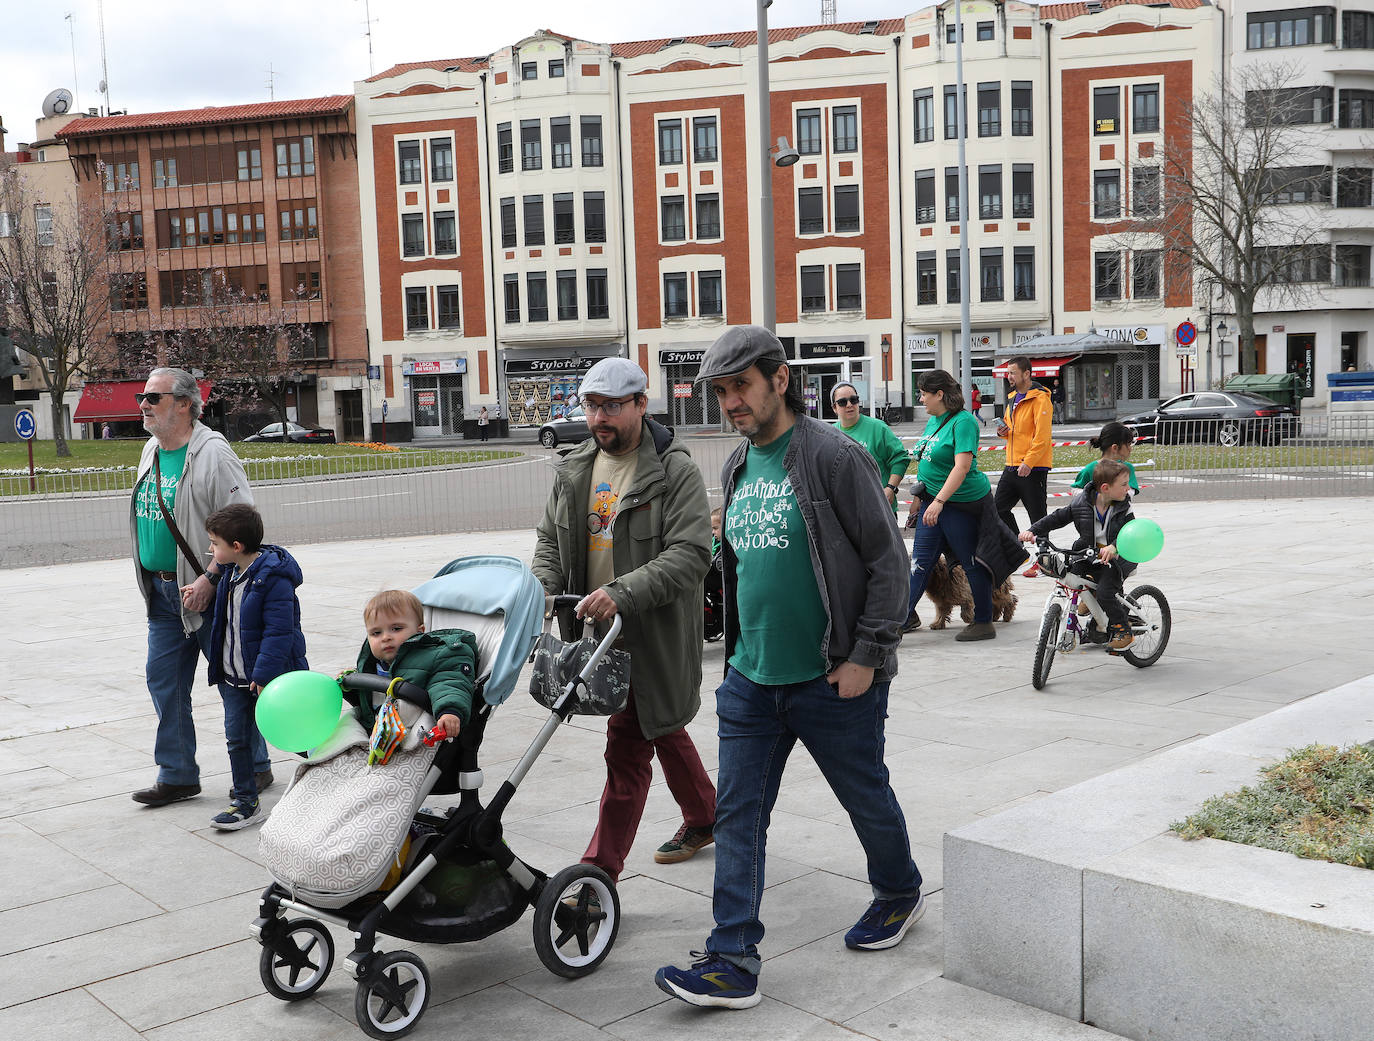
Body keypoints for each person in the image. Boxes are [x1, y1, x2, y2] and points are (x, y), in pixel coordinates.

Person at [655, 325, 921, 1011]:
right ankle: (730, 957)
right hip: (750, 679)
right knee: (738, 817)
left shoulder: (834, 456)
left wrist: (867, 655)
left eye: (740, 385)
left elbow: (889, 561)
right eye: (720, 391)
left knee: (865, 795)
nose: (730, 402)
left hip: (832, 677)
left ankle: (898, 889)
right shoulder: (737, 465)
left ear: (779, 377)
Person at [532, 356, 717, 882]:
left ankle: (597, 873)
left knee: (626, 749)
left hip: (651, 635)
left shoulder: (673, 469)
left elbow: (689, 554)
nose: (599, 419)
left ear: (641, 403)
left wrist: (621, 592)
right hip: (596, 636)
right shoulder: (575, 467)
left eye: (612, 406)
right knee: (662, 726)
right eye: (591, 406)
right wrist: (544, 588)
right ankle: (706, 816)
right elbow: (550, 538)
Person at [130, 367, 271, 808]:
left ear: (186, 403)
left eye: (154, 397)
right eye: (143, 397)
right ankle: (177, 775)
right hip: (162, 593)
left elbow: (244, 526)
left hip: (212, 592)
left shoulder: (213, 453)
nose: (144, 405)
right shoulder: (151, 451)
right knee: (164, 684)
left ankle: (256, 768)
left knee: (234, 682)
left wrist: (211, 576)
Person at [203, 504, 307, 830]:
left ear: (236, 546)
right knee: (237, 740)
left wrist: (264, 676)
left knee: (300, 735)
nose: (210, 549)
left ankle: (337, 778)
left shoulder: (274, 580)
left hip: (268, 678)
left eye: (215, 543)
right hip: (234, 678)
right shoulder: (231, 573)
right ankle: (246, 802)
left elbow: (279, 633)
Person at [902, 369, 1024, 640]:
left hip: (961, 504)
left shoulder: (964, 422)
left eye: (924, 394)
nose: (921, 399)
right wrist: (919, 502)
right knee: (920, 564)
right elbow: (929, 463)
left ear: (940, 394)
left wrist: (940, 501)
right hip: (932, 503)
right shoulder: (935, 420)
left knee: (970, 563)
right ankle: (899, 621)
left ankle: (983, 623)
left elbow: (962, 466)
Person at [1021, 459, 1138, 651]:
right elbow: (1057, 518)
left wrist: (1114, 547)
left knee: (1106, 592)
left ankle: (1123, 631)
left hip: (1115, 559)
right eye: (1124, 484)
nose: (1128, 488)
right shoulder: (1081, 502)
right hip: (1086, 553)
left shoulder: (1124, 507)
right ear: (1106, 488)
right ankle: (1085, 603)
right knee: (1071, 575)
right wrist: (1032, 530)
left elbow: (1131, 532)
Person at [353, 589, 477, 741]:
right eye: (376, 633)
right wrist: (351, 684)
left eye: (396, 629)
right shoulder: (371, 665)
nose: (385, 637)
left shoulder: (436, 656)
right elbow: (368, 700)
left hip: (414, 736)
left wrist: (449, 711)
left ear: (420, 631)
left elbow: (449, 682)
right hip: (376, 733)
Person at [995, 357, 1054, 577]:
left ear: (1027, 374)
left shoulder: (1040, 399)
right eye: (1008, 373)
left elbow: (1042, 437)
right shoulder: (1012, 398)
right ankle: (1019, 551)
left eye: (1012, 373)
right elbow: (1013, 430)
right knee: (998, 509)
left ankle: (1044, 560)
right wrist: (1003, 432)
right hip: (1011, 464)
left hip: (1033, 467)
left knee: (1038, 516)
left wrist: (1029, 462)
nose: (1008, 376)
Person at [831, 381, 910, 515]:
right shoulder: (830, 433)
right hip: (847, 512)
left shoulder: (878, 428)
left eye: (853, 400)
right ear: (834, 408)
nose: (849, 405)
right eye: (843, 402)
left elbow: (900, 459)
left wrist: (890, 488)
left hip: (880, 509)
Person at [1071, 422, 1140, 496]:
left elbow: (1131, 491)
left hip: (1122, 508)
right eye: (1128, 445)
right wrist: (1095, 496)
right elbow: (1075, 489)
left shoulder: (1127, 468)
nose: (1130, 449)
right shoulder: (1091, 469)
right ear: (1115, 448)